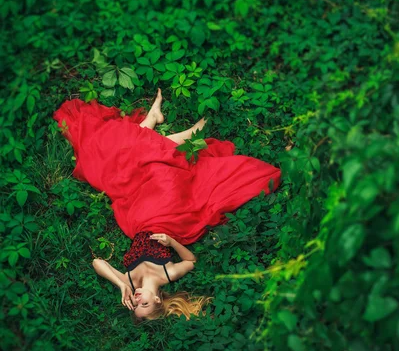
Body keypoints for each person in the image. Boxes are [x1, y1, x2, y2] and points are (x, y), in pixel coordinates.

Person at [53, 89, 281, 321]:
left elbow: (97, 262)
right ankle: (184, 132)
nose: (137, 298)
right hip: (168, 217)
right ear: (157, 300)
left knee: (119, 168)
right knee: (163, 175)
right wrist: (171, 241)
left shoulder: (129, 280)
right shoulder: (166, 274)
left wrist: (120, 285)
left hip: (137, 217)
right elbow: (191, 262)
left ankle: (155, 122)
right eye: (143, 303)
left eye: (134, 305)